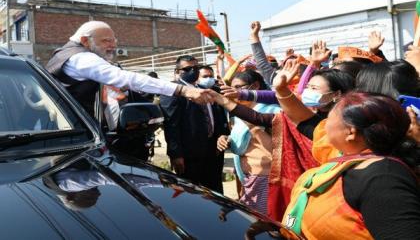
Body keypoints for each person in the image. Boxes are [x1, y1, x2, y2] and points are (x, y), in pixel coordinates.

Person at [282, 92, 420, 239]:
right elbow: (305, 120)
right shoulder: (347, 155)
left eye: (327, 119)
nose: (323, 125)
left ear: (350, 132)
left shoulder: (383, 179)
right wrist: (281, 91)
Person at [45, 21, 211, 118]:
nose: (113, 46)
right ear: (85, 41)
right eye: (106, 41)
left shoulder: (65, 53)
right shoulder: (80, 58)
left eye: (114, 41)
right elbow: (125, 78)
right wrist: (181, 90)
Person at [159, 55, 230, 193]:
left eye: (196, 67)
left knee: (214, 190)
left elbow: (218, 117)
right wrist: (176, 154)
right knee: (192, 192)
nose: (193, 71)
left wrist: (222, 136)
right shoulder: (172, 91)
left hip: (213, 150)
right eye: (188, 69)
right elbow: (171, 124)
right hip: (190, 154)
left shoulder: (206, 90)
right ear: (178, 71)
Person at [216, 69, 280, 214]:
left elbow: (276, 148)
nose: (234, 91)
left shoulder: (272, 111)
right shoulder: (241, 113)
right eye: (232, 88)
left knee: (266, 221)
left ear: (255, 86)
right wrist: (225, 139)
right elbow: (243, 140)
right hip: (247, 176)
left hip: (266, 177)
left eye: (238, 87)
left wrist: (252, 124)